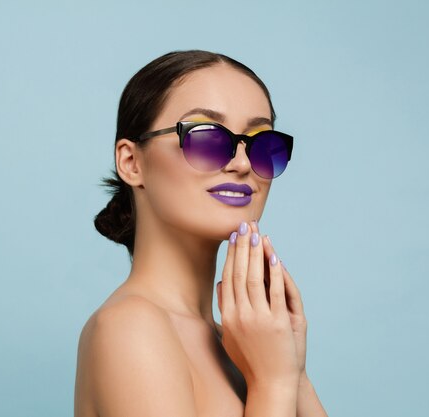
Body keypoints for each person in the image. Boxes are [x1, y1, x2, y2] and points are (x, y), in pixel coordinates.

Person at [74, 50, 327, 417]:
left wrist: (294, 372)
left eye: (261, 144)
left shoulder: (244, 346)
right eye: (206, 137)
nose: (242, 164)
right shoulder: (129, 328)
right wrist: (274, 384)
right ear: (132, 162)